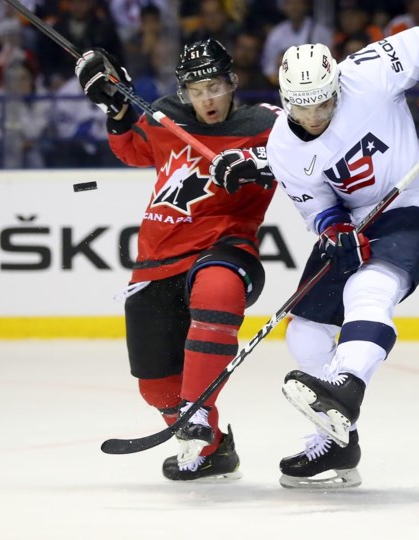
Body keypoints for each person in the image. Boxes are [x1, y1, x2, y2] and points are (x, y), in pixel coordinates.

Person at [253, 27, 419, 488]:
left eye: (323, 101)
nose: (314, 115)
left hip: (418, 202)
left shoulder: (365, 75)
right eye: (302, 105)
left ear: (335, 86)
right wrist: (334, 230)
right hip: (357, 222)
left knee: (368, 288)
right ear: (285, 99)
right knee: (307, 334)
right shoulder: (282, 148)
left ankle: (347, 385)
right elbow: (317, 205)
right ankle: (338, 440)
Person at [74, 38, 278, 481]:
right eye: (196, 89)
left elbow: (310, 143)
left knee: (218, 287)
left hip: (224, 247)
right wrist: (114, 105)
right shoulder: (167, 115)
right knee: (154, 386)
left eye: (215, 86)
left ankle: (197, 415)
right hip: (155, 261)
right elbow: (131, 149)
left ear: (233, 82)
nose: (206, 99)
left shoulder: (264, 124)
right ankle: (215, 451)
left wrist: (258, 160)